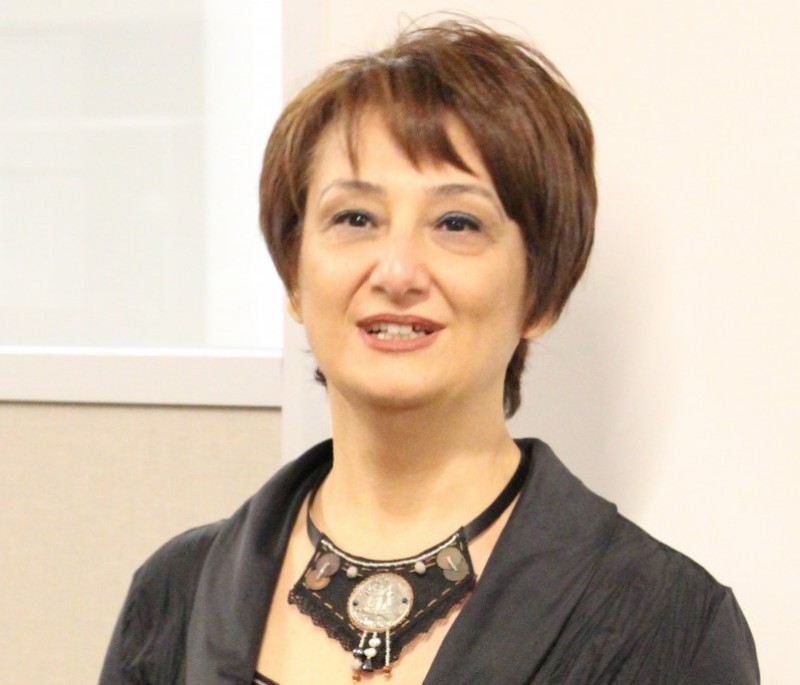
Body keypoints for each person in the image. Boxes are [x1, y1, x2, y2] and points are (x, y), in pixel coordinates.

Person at [100, 19, 759, 685]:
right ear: (294, 278)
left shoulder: (670, 625)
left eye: (456, 223)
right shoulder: (173, 596)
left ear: (541, 293)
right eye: (355, 218)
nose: (397, 271)